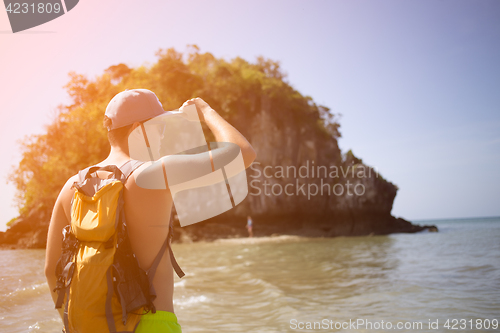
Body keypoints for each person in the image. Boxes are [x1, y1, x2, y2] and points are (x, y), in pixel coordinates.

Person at [44, 89, 256, 332]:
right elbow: (243, 153)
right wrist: (206, 112)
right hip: (151, 322)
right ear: (139, 130)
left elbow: (52, 270)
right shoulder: (153, 173)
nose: (162, 136)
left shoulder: (71, 186)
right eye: (160, 127)